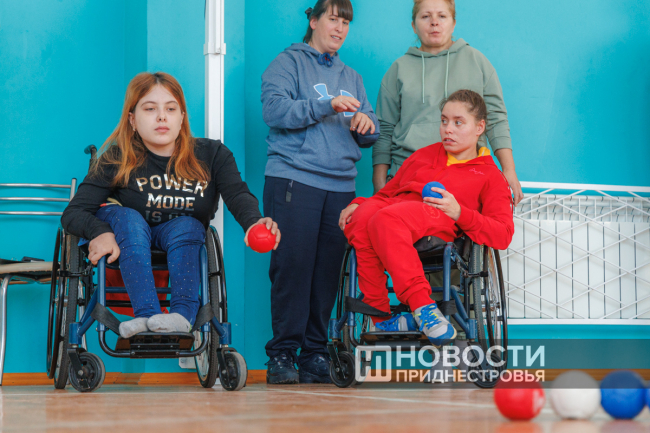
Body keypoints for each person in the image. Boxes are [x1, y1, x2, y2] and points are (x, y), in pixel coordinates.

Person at [62, 72, 279, 339]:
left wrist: (254, 222)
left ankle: (181, 317)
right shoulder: (117, 158)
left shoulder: (212, 155)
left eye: (171, 109)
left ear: (182, 117)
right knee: (128, 218)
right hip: (128, 237)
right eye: (150, 109)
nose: (162, 117)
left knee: (189, 225)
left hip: (180, 239)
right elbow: (72, 213)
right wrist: (100, 232)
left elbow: (237, 194)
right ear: (132, 119)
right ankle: (146, 316)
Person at [261, 0, 379, 384]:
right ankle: (282, 354)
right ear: (313, 21)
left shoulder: (352, 76)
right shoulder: (287, 64)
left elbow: (371, 128)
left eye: (346, 21)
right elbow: (274, 111)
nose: (340, 27)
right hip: (294, 179)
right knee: (292, 267)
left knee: (327, 272)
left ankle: (314, 353)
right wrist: (326, 104)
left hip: (341, 187)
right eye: (333, 18)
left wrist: (366, 124)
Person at [340, 90, 513, 346]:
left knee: (385, 219)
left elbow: (502, 234)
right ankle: (379, 318)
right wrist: (359, 203)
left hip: (436, 220)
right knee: (362, 217)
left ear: (479, 127)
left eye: (458, 122)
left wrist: (459, 212)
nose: (448, 129)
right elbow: (387, 194)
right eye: (444, 121)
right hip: (394, 212)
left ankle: (422, 307)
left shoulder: (490, 176)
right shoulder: (423, 155)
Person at [372, 0, 524, 205]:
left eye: (442, 16)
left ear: (453, 23)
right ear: (413, 25)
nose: (434, 22)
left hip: (467, 176)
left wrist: (509, 169)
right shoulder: (398, 69)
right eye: (426, 16)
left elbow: (496, 120)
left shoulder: (477, 62)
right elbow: (384, 128)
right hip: (409, 175)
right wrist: (379, 183)